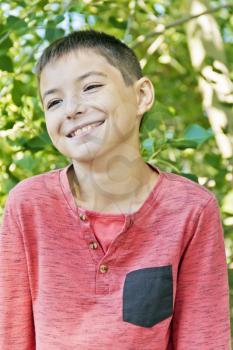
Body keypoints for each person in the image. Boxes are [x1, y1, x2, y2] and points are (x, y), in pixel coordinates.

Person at [0, 30, 231, 350]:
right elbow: (12, 337)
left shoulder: (192, 210)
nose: (71, 109)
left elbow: (202, 340)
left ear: (141, 96)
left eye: (91, 87)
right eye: (54, 101)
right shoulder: (29, 205)